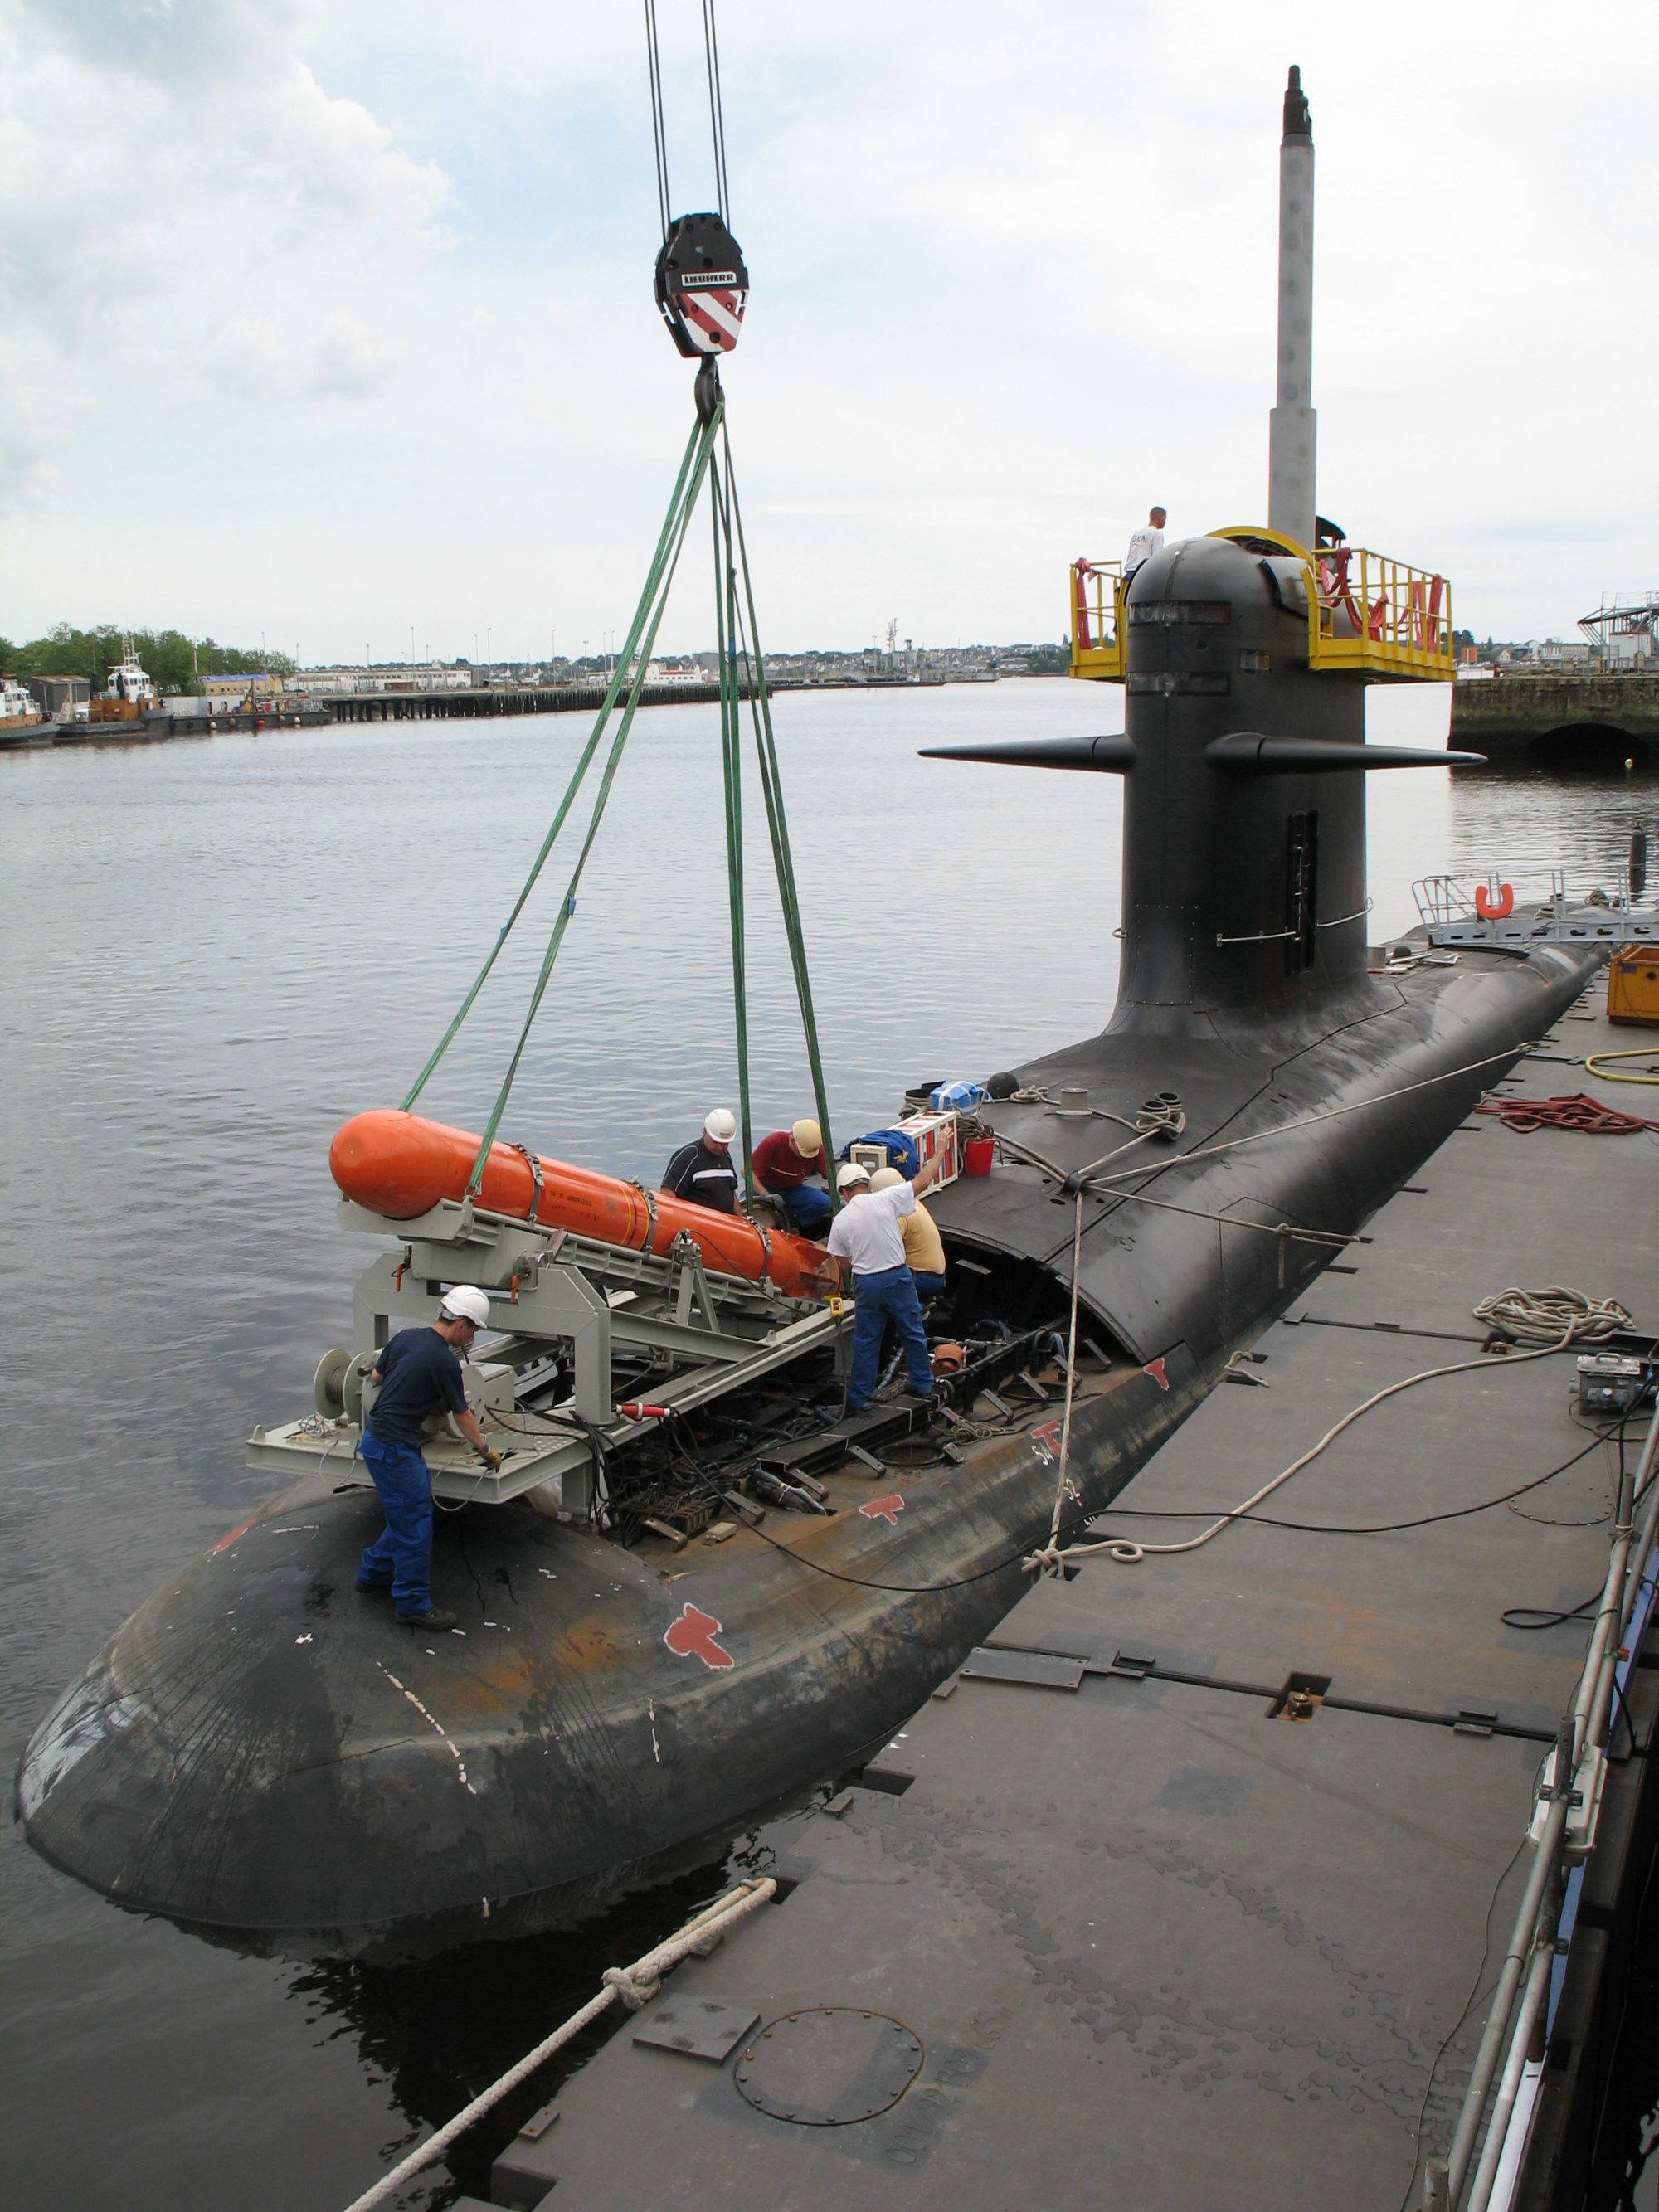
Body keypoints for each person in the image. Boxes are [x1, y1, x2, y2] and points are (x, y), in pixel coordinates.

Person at [357, 1286, 502, 1631]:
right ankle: (411, 1603)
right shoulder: (444, 1362)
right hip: (396, 1449)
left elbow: (376, 1377)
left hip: (374, 1439)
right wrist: (485, 1449)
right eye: (474, 1330)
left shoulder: (407, 1337)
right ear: (462, 1324)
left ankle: (371, 1573)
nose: (473, 1338)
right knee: (415, 1527)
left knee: (405, 1516)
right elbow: (462, 1414)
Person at [827, 1160, 936, 1412]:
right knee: (912, 1331)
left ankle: (858, 1397)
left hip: (867, 1284)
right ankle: (922, 1383)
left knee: (867, 1340)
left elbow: (841, 1264)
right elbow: (922, 1181)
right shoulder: (886, 1198)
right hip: (897, 1278)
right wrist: (940, 1151)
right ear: (867, 1184)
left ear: (844, 1192)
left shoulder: (840, 1221)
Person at [868, 1165, 947, 1300]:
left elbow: (885, 1251)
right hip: (936, 1275)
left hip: (923, 1278)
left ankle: (913, 1313)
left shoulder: (899, 1215)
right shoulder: (912, 1202)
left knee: (876, 1287)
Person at [752, 1117, 830, 1234]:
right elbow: (747, 1172)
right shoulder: (773, 1143)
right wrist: (766, 1194)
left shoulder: (816, 1150)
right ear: (792, 1140)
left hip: (793, 1189)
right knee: (746, 1206)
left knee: (824, 1202)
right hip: (766, 1187)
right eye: (801, 1153)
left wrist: (836, 1188)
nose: (803, 1157)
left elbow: (830, 1175)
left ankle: (792, 1222)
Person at [661, 1108, 741, 1213]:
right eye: (716, 1142)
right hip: (698, 1225)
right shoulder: (689, 1156)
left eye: (725, 1143)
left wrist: (743, 1221)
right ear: (705, 1132)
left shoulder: (726, 1155)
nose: (720, 1147)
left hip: (726, 1224)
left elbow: (732, 1194)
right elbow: (667, 1193)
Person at [1124, 505, 1167, 579]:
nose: (1165, 522)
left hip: (1129, 575)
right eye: (1165, 519)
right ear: (1160, 518)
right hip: (1142, 574)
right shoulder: (1157, 534)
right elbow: (1157, 559)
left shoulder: (1137, 534)